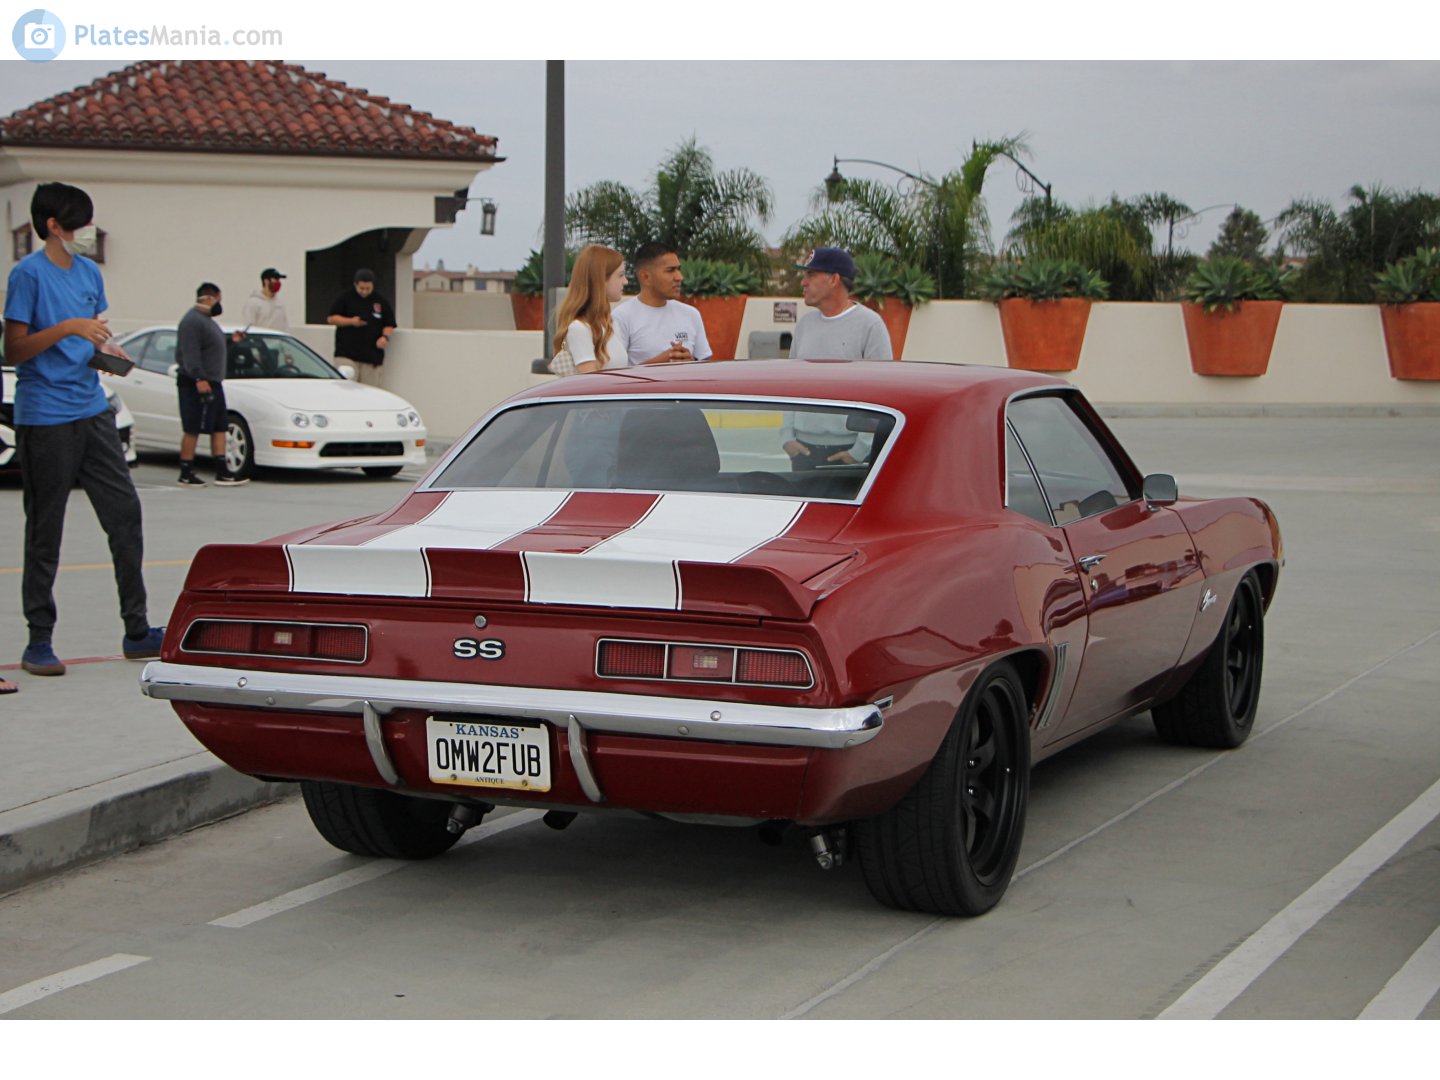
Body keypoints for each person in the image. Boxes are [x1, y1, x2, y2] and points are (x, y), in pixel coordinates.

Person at [3, 181, 164, 677]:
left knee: (125, 513)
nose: (88, 230)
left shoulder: (90, 272)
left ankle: (137, 630)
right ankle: (39, 641)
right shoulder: (27, 275)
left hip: (92, 408)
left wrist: (106, 352)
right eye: (80, 222)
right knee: (46, 528)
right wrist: (69, 327)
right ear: (54, 226)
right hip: (45, 415)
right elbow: (14, 349)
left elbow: (88, 339)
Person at [781, 247, 894, 469]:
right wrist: (786, 437)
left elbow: (883, 392)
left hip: (850, 453)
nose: (803, 282)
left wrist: (859, 451)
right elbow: (791, 384)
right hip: (803, 450)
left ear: (834, 279)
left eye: (811, 275)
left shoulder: (870, 325)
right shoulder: (804, 325)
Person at [176, 282, 247, 487]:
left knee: (219, 426)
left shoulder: (208, 322)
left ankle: (222, 471)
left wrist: (231, 341)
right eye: (218, 300)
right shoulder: (192, 321)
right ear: (208, 298)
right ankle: (186, 471)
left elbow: (211, 348)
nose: (219, 304)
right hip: (196, 383)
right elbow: (190, 354)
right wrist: (199, 378)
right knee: (193, 427)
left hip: (214, 382)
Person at [612, 243, 712, 366]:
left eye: (678, 269)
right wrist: (663, 362)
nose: (679, 277)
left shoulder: (691, 314)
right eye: (670, 270)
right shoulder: (621, 317)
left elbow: (705, 365)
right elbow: (614, 373)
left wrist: (690, 362)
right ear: (645, 277)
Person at [554, 244, 628, 374]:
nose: (625, 281)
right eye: (620, 275)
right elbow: (590, 381)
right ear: (601, 279)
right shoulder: (579, 328)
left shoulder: (610, 324)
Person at [327, 269, 396, 385]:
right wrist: (351, 321)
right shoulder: (345, 298)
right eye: (361, 288)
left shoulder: (380, 301)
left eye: (368, 288)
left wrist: (384, 337)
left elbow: (389, 324)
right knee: (346, 388)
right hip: (346, 355)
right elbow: (331, 319)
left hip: (371, 357)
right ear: (355, 284)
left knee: (370, 391)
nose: (364, 291)